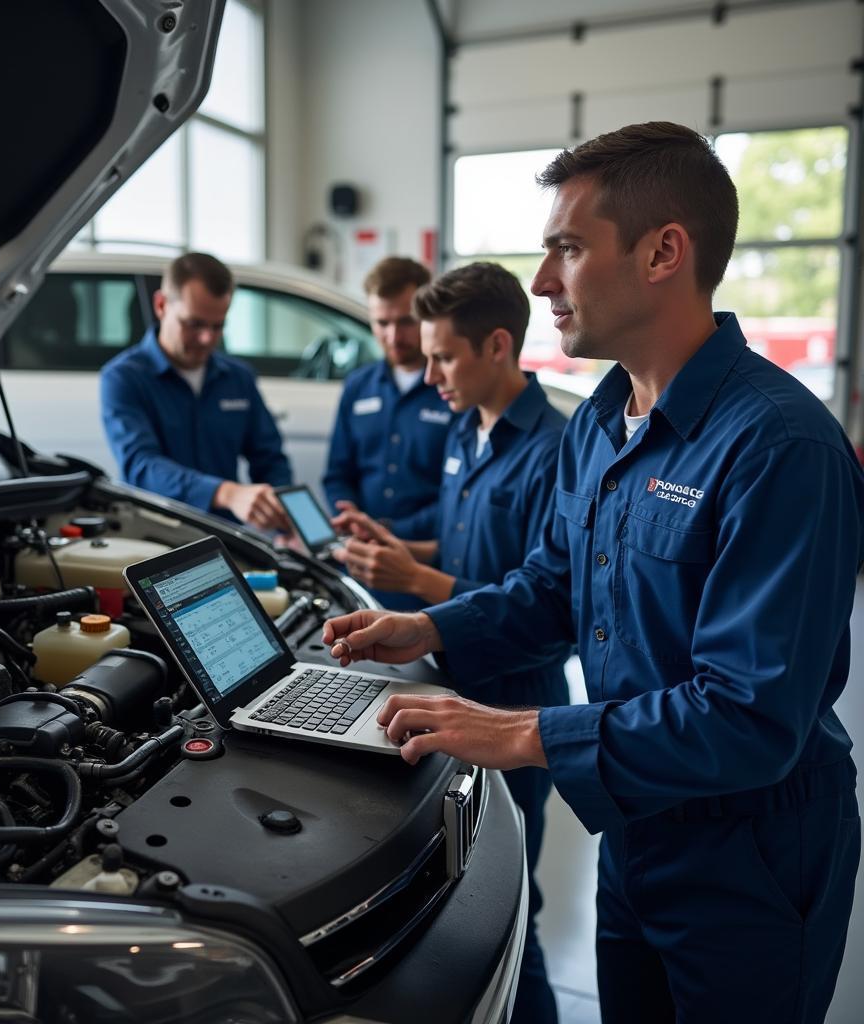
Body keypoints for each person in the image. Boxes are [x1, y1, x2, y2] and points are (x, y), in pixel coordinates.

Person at [322, 122, 864, 1023]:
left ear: (663, 252)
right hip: (634, 829)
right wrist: (430, 627)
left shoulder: (780, 449)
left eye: (566, 249)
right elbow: (551, 586)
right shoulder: (600, 423)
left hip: (750, 857)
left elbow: (750, 715)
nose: (541, 284)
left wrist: (529, 731)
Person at [331, 261, 569, 1024]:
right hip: (452, 684)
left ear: (498, 345)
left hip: (515, 700)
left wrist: (418, 583)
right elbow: (465, 552)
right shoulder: (467, 429)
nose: (425, 371)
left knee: (507, 905)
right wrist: (399, 548)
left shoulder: (554, 451)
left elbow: (537, 600)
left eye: (443, 356)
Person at [101, 252, 292, 530]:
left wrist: (285, 520)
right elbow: (141, 466)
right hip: (155, 538)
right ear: (161, 305)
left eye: (218, 326)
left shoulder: (238, 378)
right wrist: (226, 493)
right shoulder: (123, 378)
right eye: (194, 324)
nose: (207, 339)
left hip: (227, 536)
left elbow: (270, 459)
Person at [322, 257, 454, 608]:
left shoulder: (453, 389)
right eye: (382, 323)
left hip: (428, 564)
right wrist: (349, 518)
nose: (393, 336)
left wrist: (390, 532)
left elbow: (460, 495)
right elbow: (337, 472)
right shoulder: (358, 386)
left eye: (406, 321)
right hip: (361, 566)